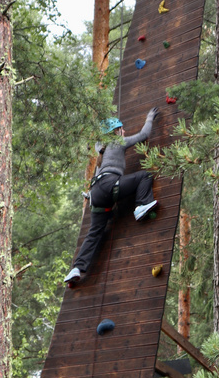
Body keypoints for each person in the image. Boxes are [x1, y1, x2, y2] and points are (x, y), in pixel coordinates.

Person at [64, 108, 159, 288]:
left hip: (96, 194)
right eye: (121, 129)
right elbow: (144, 135)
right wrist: (149, 117)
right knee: (144, 176)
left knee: (95, 232)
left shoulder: (100, 147)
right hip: (110, 186)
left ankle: (77, 268)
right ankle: (141, 206)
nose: (124, 132)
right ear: (116, 131)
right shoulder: (118, 141)